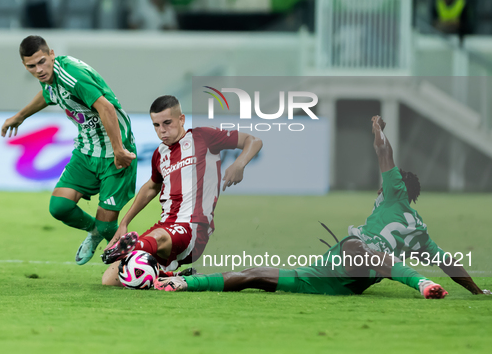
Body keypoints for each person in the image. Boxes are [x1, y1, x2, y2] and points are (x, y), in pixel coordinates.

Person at [155, 115, 490, 299]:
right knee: (256, 276)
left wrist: (378, 132)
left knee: (363, 248)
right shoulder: (420, 234)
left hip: (352, 254)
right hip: (331, 279)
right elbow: (448, 262)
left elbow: (384, 156)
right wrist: (478, 290)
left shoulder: (393, 192)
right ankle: (185, 284)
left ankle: (420, 284)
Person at [1, 35, 137, 265]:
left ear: (52, 54)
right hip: (86, 149)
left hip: (114, 152)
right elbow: (47, 95)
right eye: (31, 66)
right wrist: (20, 116)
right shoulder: (50, 77)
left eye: (42, 62)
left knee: (108, 225)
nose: (39, 70)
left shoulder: (71, 75)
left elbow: (106, 107)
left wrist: (118, 149)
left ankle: (139, 264)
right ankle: (94, 232)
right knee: (60, 207)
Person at [100, 95, 262, 286]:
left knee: (156, 238)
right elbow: (151, 187)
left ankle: (132, 246)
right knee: (112, 279)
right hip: (164, 226)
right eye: (156, 125)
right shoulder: (159, 154)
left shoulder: (203, 137)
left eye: (167, 123)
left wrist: (239, 164)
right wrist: (124, 222)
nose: (162, 130)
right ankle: (177, 276)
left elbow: (253, 140)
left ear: (181, 119)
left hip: (193, 227)